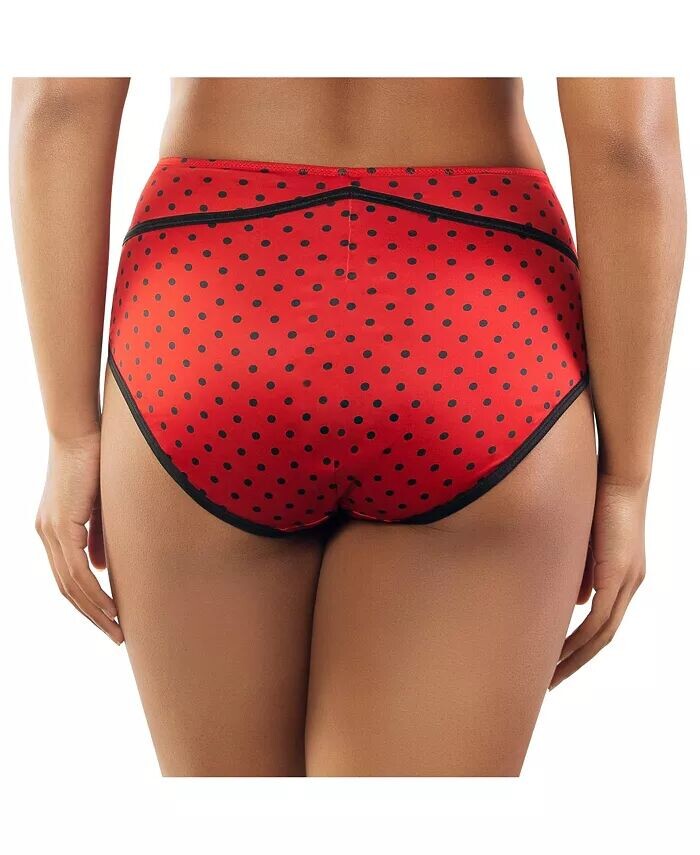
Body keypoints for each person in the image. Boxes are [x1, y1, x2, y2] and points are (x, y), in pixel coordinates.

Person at [9, 78, 685, 776]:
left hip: (209, 304)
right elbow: (627, 144)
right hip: (474, 323)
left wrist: (71, 433)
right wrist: (626, 480)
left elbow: (60, 103)